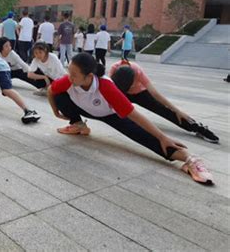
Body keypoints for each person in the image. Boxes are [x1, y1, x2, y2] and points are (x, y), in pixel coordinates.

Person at [47, 53, 213, 185]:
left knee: (149, 138)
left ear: (89, 76)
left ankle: (190, 160)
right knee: (60, 97)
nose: (69, 77)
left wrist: (163, 137)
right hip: (87, 110)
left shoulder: (106, 87)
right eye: (69, 72)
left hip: (111, 115)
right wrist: (55, 111)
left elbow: (134, 114)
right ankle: (78, 124)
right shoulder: (68, 81)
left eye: (74, 75)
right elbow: (51, 91)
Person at [110, 60, 219, 144]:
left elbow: (155, 93)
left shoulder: (137, 70)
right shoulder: (114, 68)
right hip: (121, 93)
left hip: (140, 94)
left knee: (164, 110)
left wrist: (177, 110)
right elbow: (110, 88)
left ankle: (197, 128)